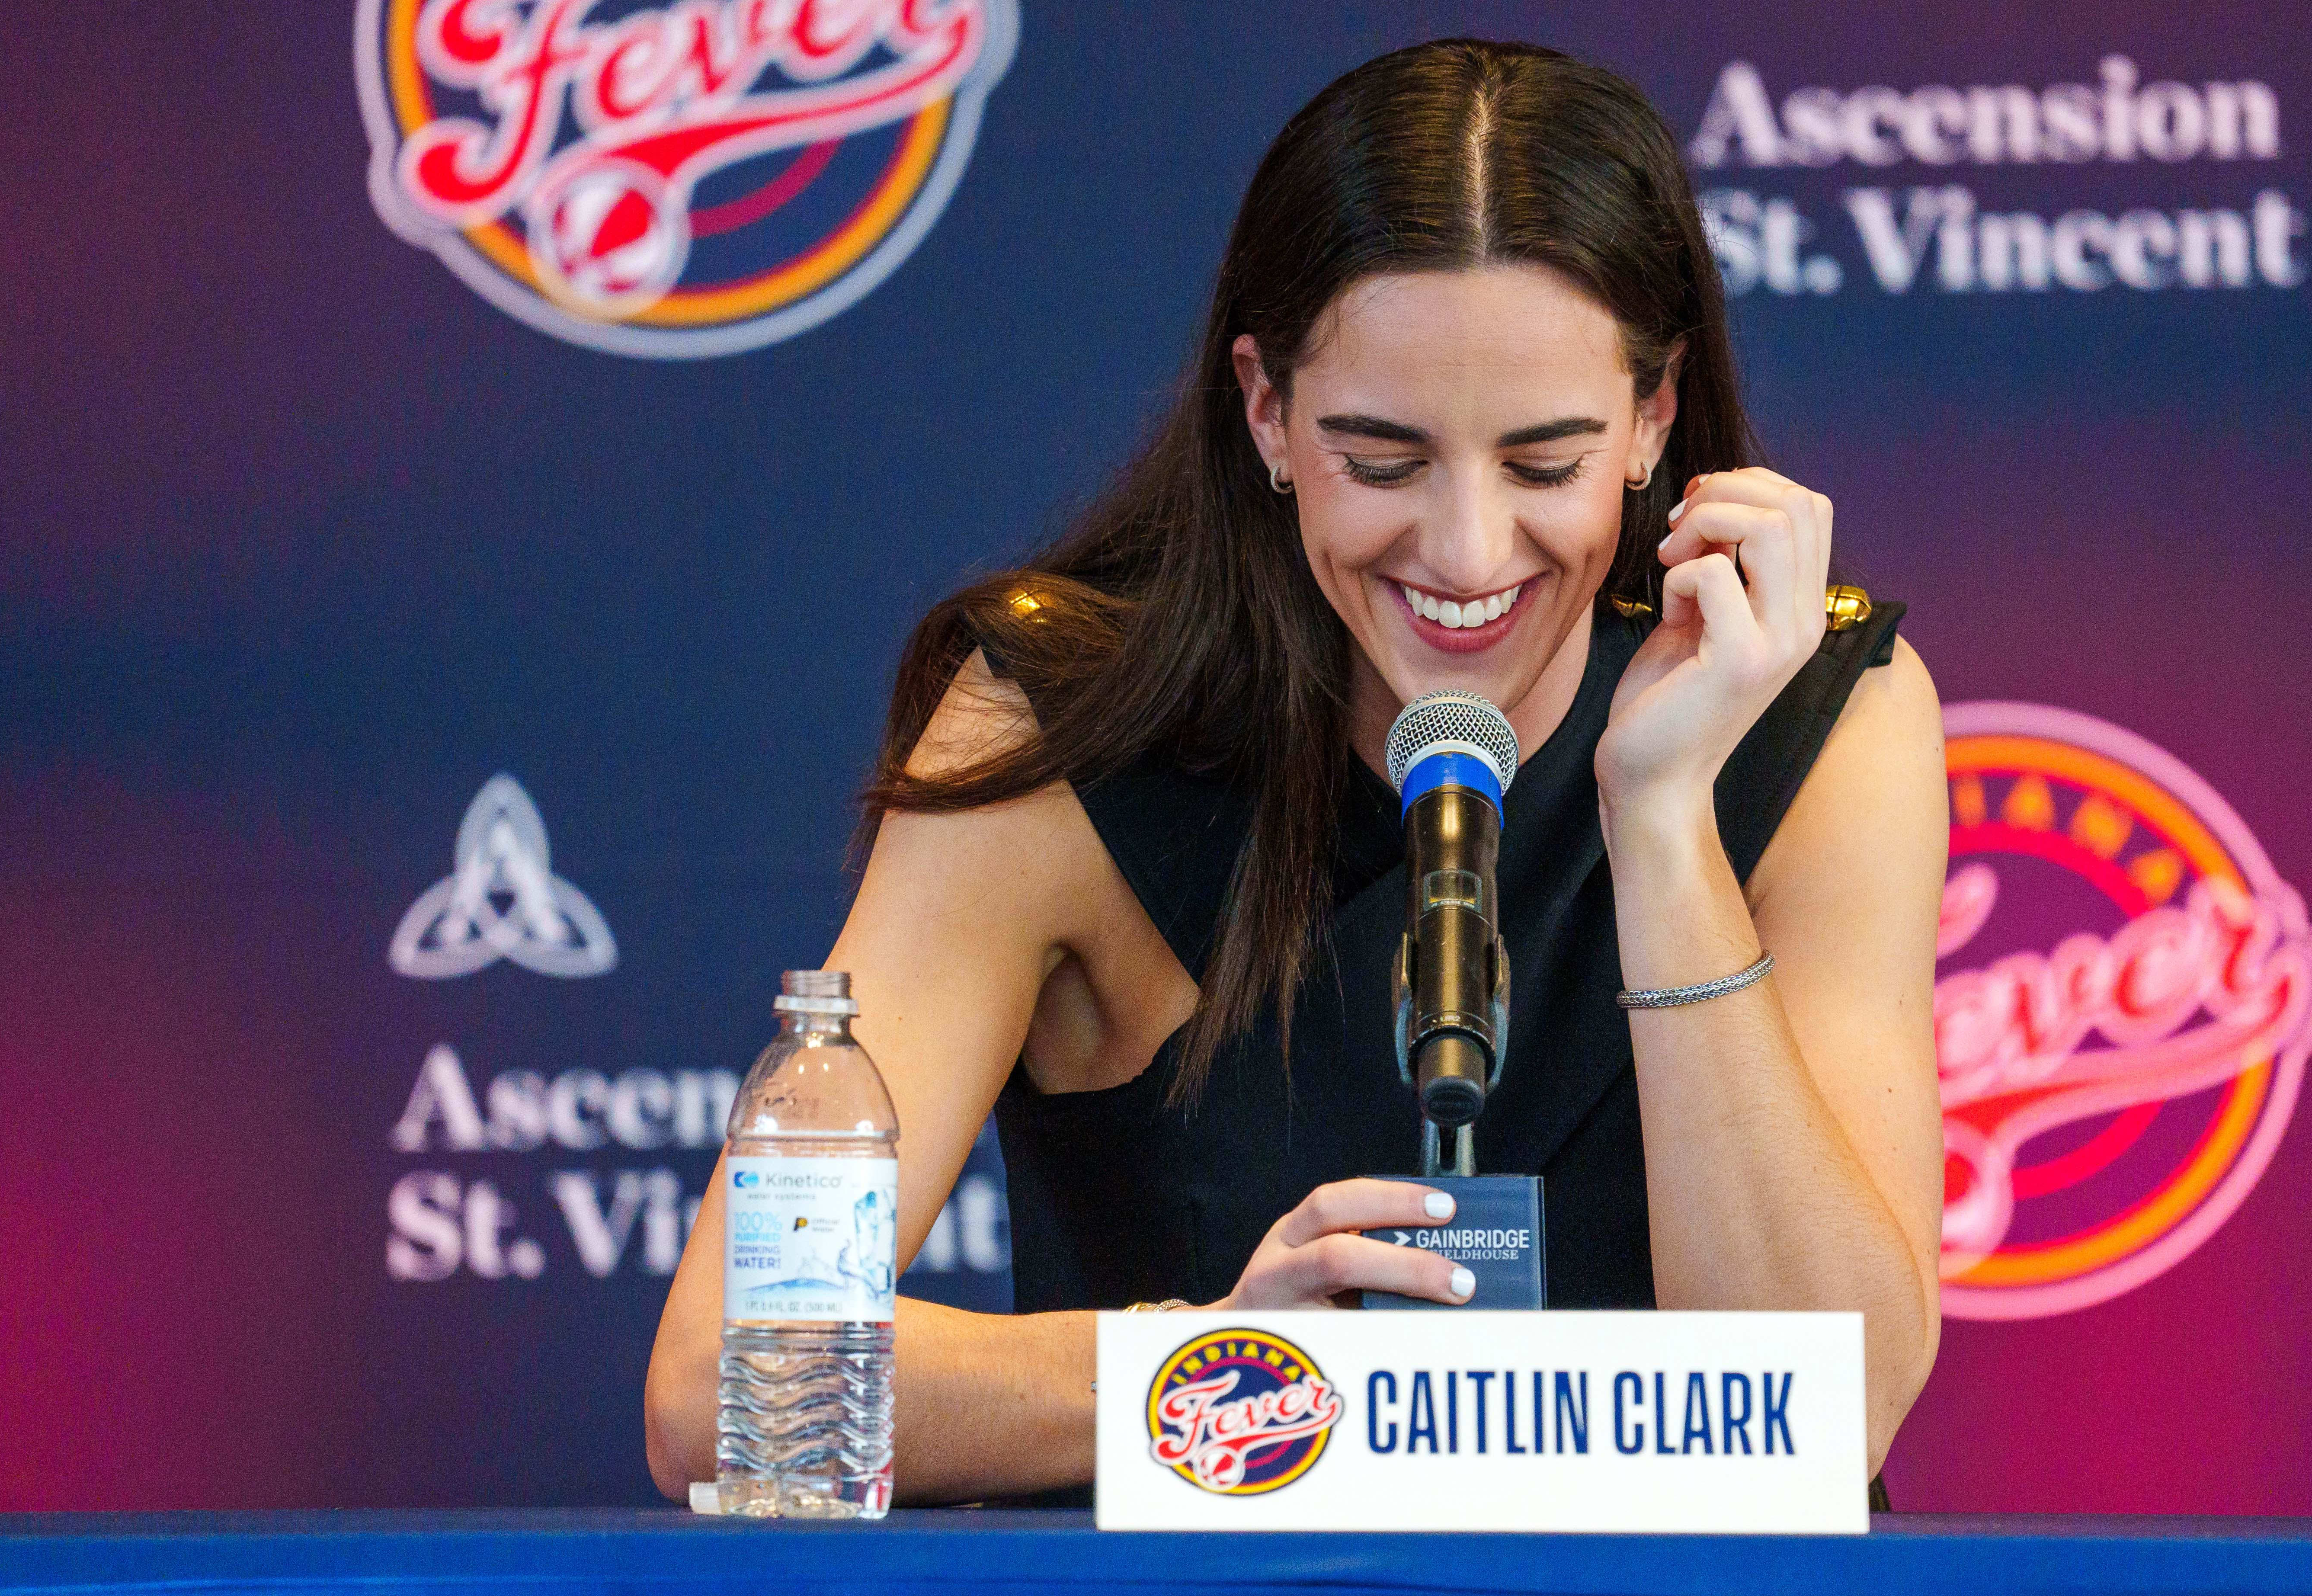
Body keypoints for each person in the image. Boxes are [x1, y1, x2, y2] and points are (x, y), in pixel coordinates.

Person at [647, 37, 1946, 1507]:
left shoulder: (1821, 718)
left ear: (1653, 419)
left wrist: (1658, 819)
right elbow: (731, 1381)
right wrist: (1221, 1374)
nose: (1465, 553)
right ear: (1265, 411)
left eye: (1543, 465)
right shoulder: (1060, 732)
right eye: (1380, 458)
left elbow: (1827, 1419)